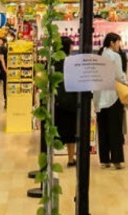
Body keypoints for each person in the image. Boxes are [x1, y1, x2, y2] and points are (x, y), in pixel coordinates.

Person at [94, 32, 128, 170]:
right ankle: (116, 160)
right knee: (115, 129)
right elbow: (119, 75)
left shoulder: (99, 55)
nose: (119, 45)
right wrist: (127, 82)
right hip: (113, 96)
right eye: (118, 42)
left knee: (102, 129)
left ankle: (104, 160)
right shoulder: (115, 56)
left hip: (99, 97)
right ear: (112, 43)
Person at [55, 36, 78, 167]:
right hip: (70, 100)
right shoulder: (71, 62)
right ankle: (70, 158)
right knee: (71, 131)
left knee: (56, 129)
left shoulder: (53, 62)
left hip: (56, 100)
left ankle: (50, 159)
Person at [0, 37, 8, 108]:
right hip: (5, 69)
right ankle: (6, 101)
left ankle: (6, 101)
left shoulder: (3, 48)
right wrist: (5, 69)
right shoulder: (3, 48)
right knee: (6, 85)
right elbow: (2, 59)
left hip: (6, 69)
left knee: (6, 85)